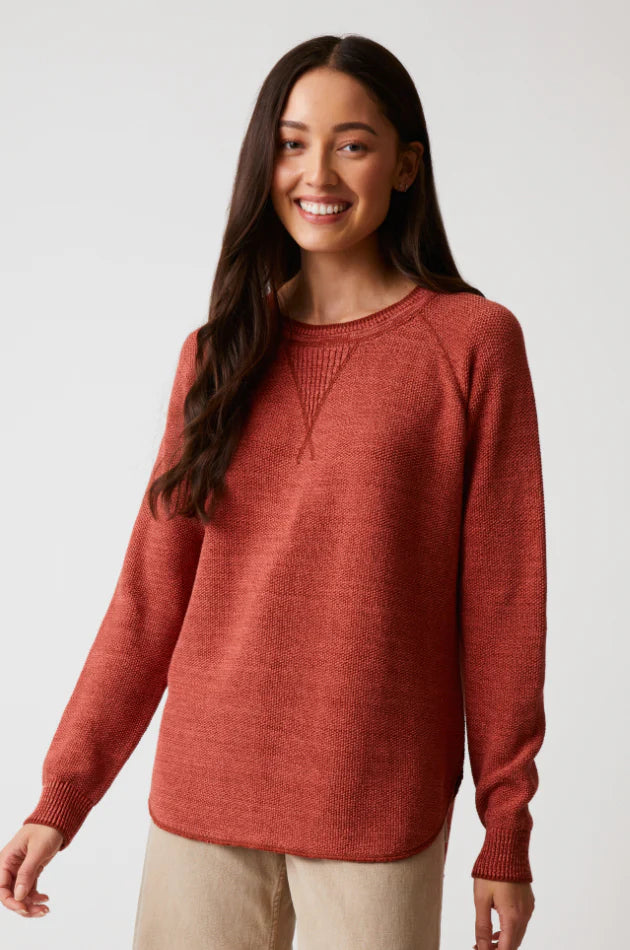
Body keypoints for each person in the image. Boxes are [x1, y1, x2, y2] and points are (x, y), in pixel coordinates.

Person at [0, 33, 546, 950]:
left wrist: (507, 830)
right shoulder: (216, 354)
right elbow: (149, 598)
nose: (316, 173)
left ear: (406, 166)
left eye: (352, 144)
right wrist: (64, 795)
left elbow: (503, 608)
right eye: (292, 143)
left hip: (375, 808)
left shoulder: (473, 344)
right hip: (202, 802)